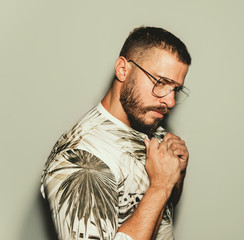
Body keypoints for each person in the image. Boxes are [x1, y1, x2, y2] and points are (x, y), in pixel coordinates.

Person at [40, 26, 191, 240]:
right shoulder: (82, 160)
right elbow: (158, 191)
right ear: (122, 69)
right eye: (160, 82)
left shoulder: (149, 123)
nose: (170, 101)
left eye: (175, 89)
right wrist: (161, 186)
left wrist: (176, 176)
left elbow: (159, 210)